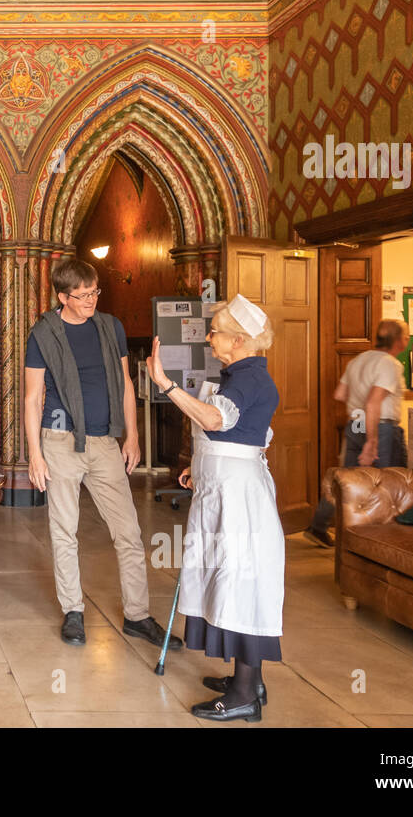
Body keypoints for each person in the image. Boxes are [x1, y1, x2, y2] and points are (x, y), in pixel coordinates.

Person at [24, 258, 183, 651]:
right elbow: (31, 399)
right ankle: (73, 611)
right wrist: (35, 455)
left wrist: (131, 437)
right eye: (82, 295)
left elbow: (127, 384)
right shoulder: (43, 333)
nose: (91, 300)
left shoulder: (110, 326)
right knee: (65, 531)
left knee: (128, 532)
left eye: (95, 291)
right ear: (63, 296)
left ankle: (138, 615)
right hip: (59, 440)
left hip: (106, 442)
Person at [146, 294, 282, 722]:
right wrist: (197, 468)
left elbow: (215, 421)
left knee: (240, 581)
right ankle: (249, 680)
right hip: (226, 488)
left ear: (239, 339)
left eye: (217, 331)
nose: (210, 337)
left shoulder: (250, 379)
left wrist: (166, 384)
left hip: (238, 498)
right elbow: (236, 436)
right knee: (231, 578)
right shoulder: (241, 375)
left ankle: (244, 694)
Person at [304, 319, 410, 547]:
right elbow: (373, 403)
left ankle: (318, 525)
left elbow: (340, 394)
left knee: (346, 479)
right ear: (397, 340)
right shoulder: (389, 364)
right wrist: (371, 442)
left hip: (356, 423)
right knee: (388, 482)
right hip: (380, 427)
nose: (408, 340)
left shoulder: (358, 361)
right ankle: (383, 539)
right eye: (406, 336)